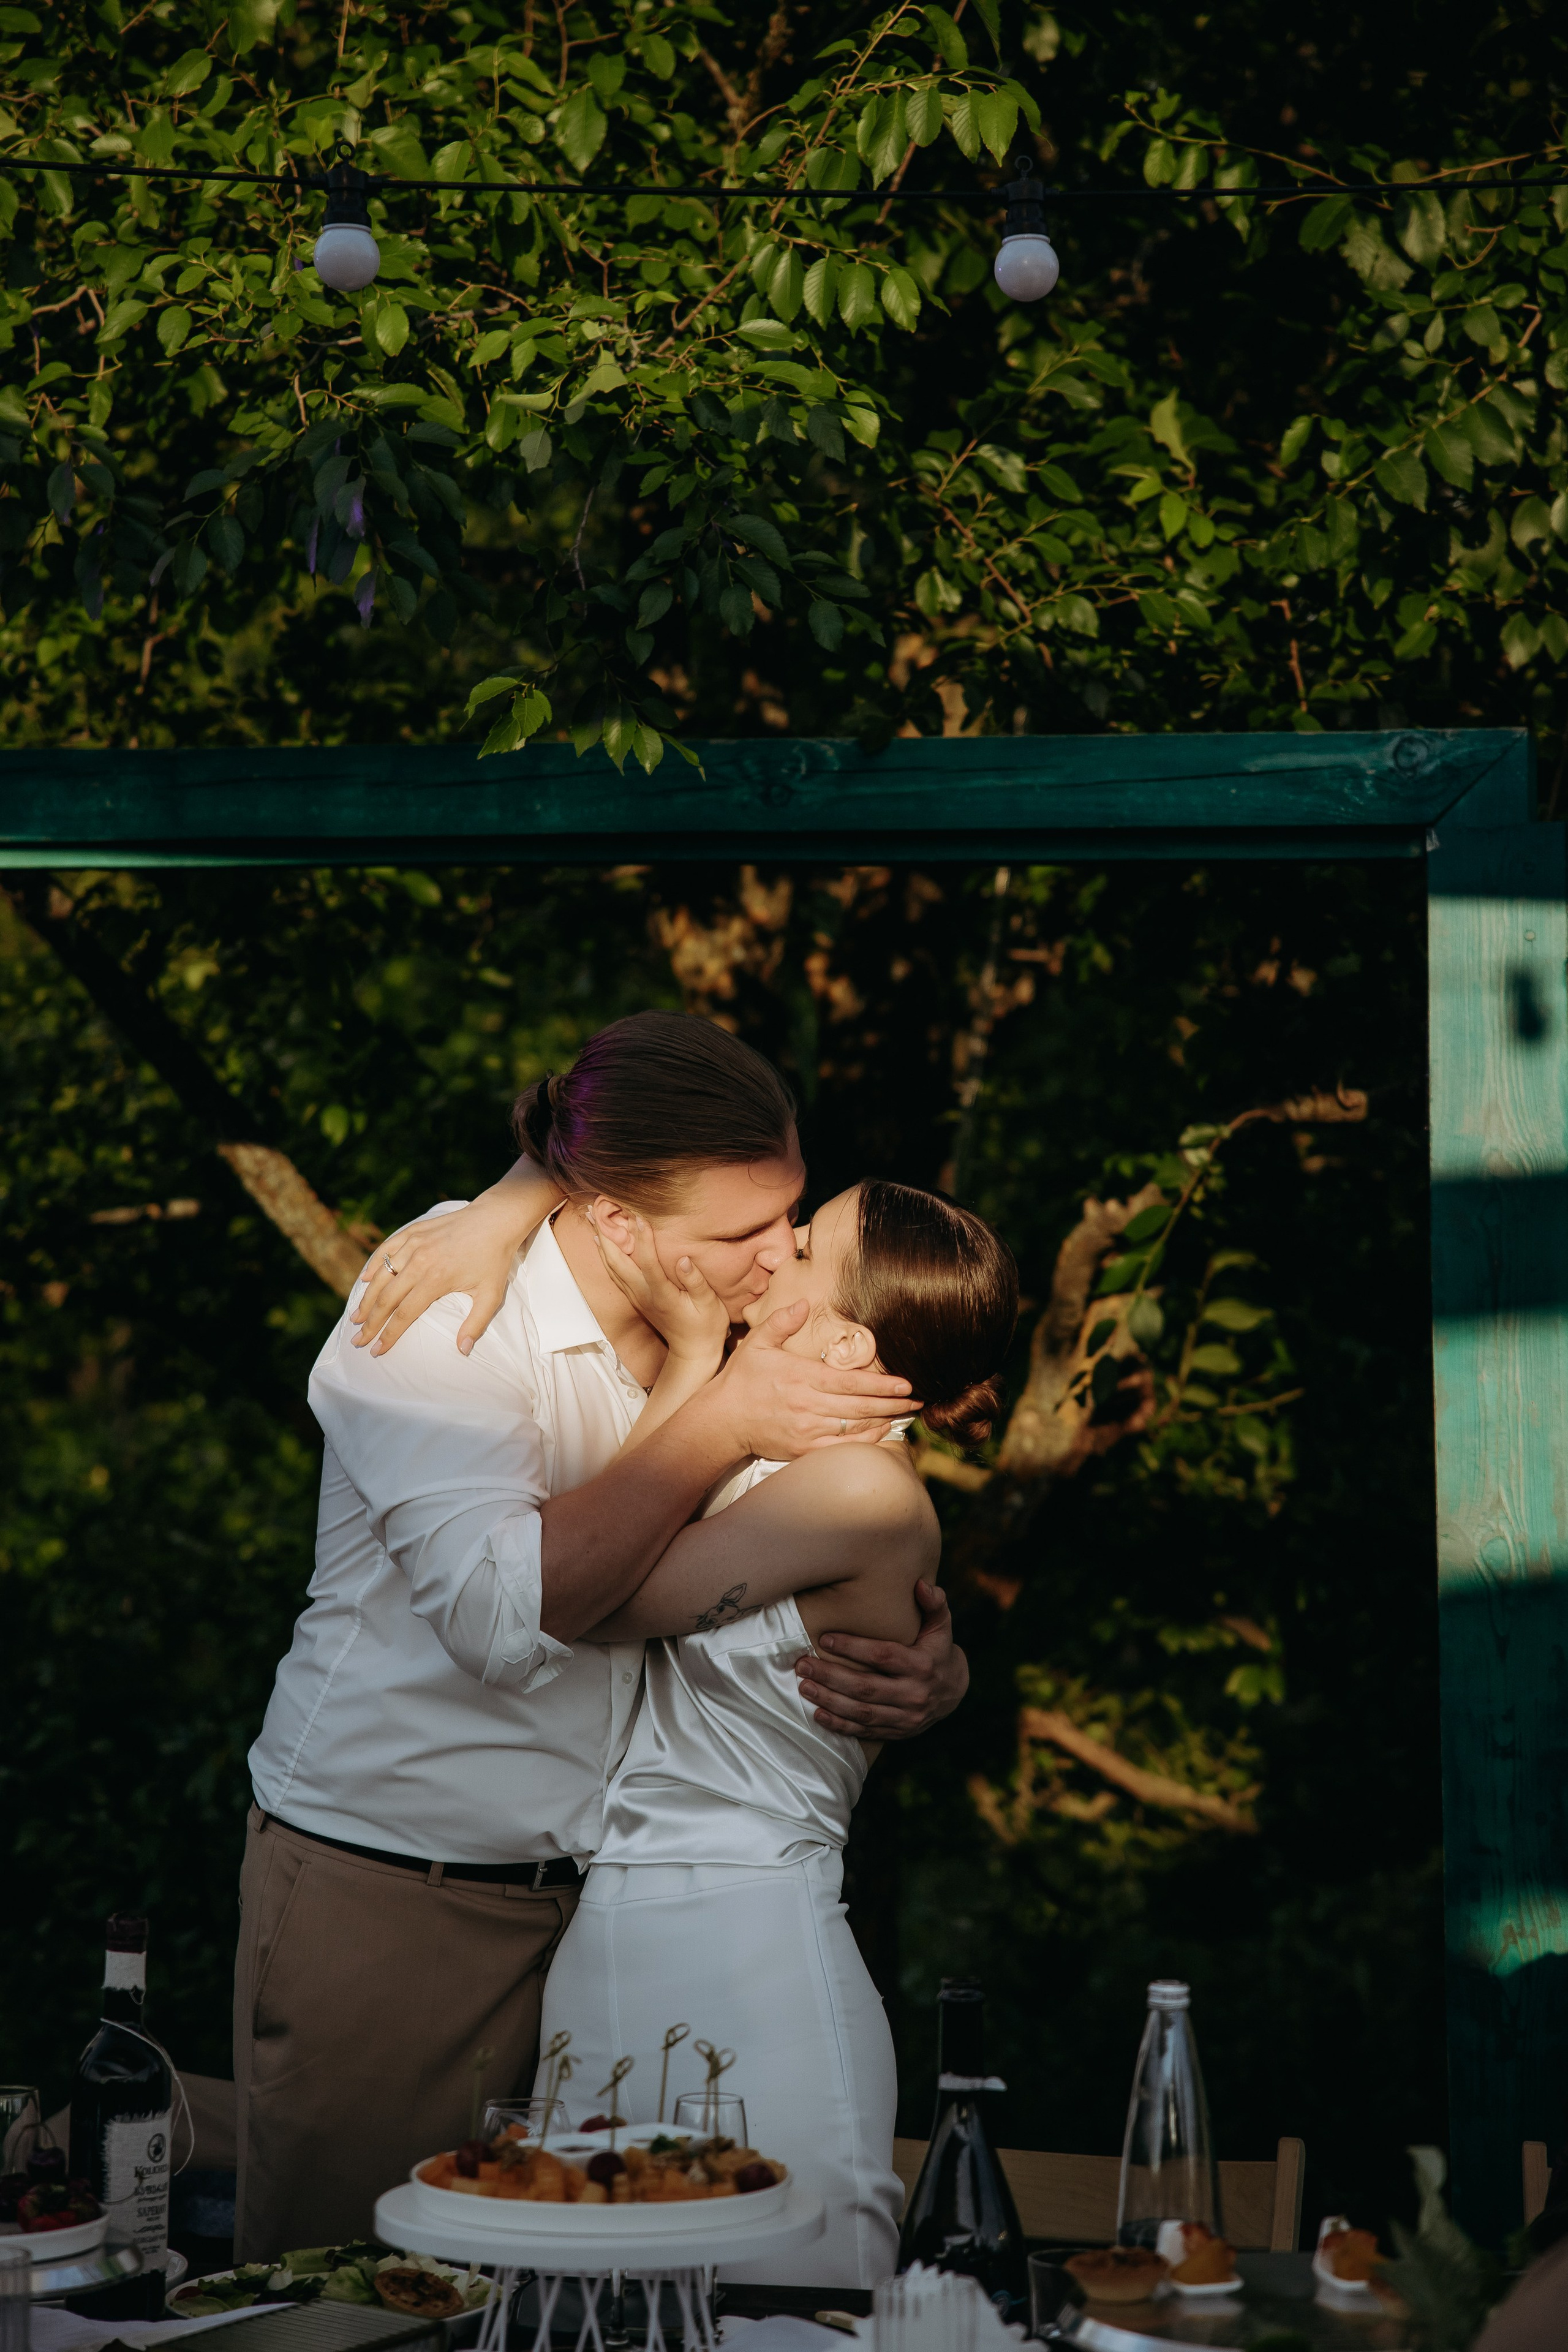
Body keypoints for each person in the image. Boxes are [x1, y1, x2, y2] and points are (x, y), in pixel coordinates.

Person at [236, 1014, 968, 2258]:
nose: (778, 1255)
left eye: (790, 1214)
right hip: (405, 1893)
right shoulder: (451, 1307)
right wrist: (714, 1414)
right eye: (742, 1234)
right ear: (618, 1220)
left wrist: (927, 1661)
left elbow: (840, 1539)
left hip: (607, 1926)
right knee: (350, 2294)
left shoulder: (739, 1325)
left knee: (568, 2301)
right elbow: (503, 1617)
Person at [524, 1177, 1017, 2287]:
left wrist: (703, 1360)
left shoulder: (862, 1493)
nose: (776, 1243)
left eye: (806, 1245)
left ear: (848, 1343)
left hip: (752, 1959)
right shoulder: (772, 1451)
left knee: (781, 2311)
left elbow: (587, 1598)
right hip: (607, 1945)